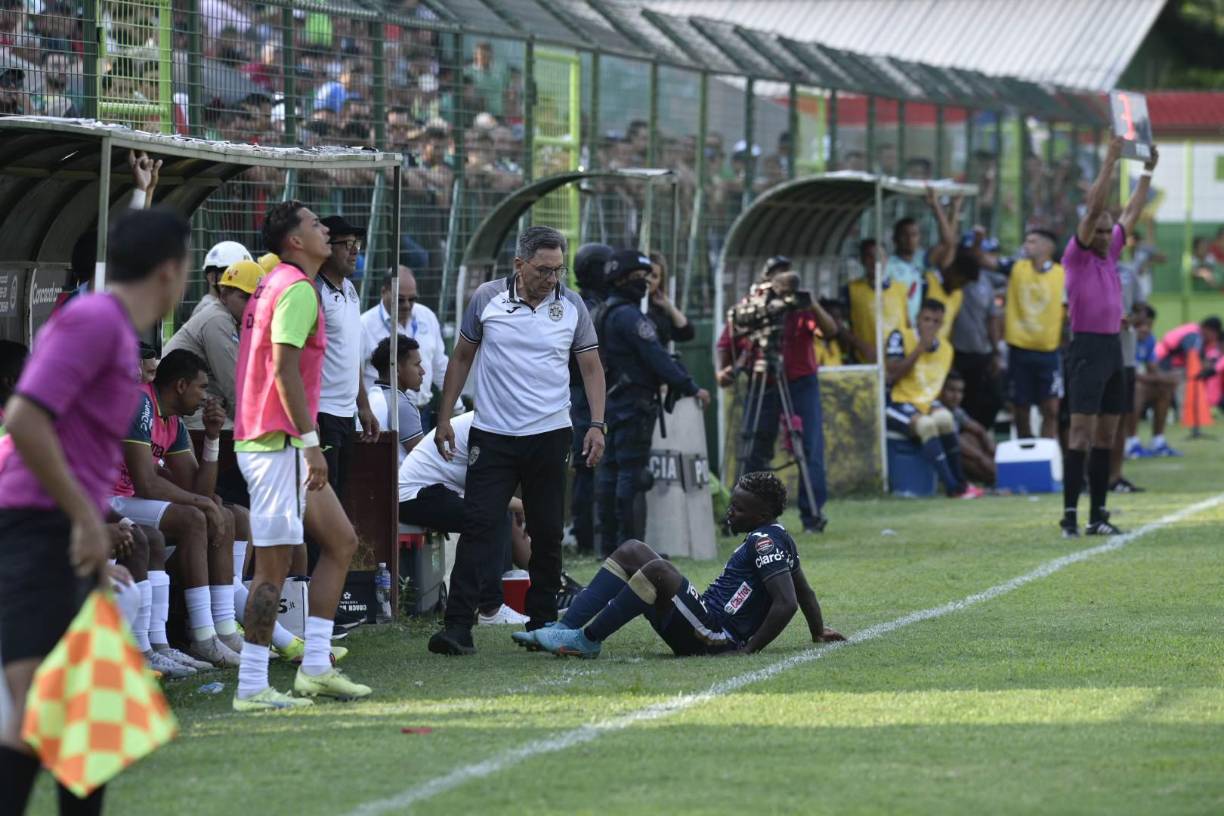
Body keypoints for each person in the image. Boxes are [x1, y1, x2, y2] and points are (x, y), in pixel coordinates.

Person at [0, 208, 190, 815]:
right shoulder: (95, 322)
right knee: (40, 713)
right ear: (171, 271)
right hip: (34, 526)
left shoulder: (110, 327)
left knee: (89, 720)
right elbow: (26, 418)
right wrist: (84, 519)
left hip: (56, 528)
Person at [428, 226, 606, 656]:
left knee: (546, 532)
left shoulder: (572, 305)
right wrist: (445, 416)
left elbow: (592, 368)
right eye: (543, 270)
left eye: (558, 270)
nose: (551, 279)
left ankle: (542, 622)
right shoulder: (486, 299)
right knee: (478, 525)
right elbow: (462, 356)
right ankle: (457, 626)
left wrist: (597, 424)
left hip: (550, 434)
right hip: (493, 435)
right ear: (519, 264)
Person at [231, 200, 371, 711]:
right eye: (315, 225)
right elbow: (284, 371)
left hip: (276, 440)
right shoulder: (295, 289)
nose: (325, 231)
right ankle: (251, 686)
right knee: (272, 569)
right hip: (277, 444)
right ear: (294, 241)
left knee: (341, 541)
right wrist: (309, 444)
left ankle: (314, 667)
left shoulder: (278, 282)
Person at [518, 472, 844, 658]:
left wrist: (749, 650)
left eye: (738, 509)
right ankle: (562, 630)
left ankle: (587, 640)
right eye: (732, 505)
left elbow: (787, 602)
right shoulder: (778, 537)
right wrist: (818, 631)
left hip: (717, 634)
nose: (730, 513)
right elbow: (804, 590)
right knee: (634, 550)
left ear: (760, 516)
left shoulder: (764, 542)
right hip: (705, 620)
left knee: (660, 571)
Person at [109, 349, 241, 667]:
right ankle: (203, 635)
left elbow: (198, 487)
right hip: (105, 497)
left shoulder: (174, 421)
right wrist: (202, 503)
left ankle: (223, 629)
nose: (205, 396)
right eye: (201, 387)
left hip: (130, 499)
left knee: (224, 515)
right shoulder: (141, 403)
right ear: (181, 386)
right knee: (194, 518)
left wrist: (211, 438)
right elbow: (146, 484)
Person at [1059, 136, 1156, 538]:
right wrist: (1110, 161)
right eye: (1097, 230)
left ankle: (1098, 515)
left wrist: (1148, 171)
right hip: (1086, 347)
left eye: (1106, 232)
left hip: (1113, 350)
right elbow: (1098, 207)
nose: (1103, 235)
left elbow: (1131, 210)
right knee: (1080, 432)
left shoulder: (1111, 254)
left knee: (1107, 433)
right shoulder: (1077, 257)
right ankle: (1069, 515)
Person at [596, 249, 711, 556]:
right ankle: (632, 549)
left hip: (610, 402)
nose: (644, 284)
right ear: (620, 279)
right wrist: (689, 386)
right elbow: (656, 356)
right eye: (638, 278)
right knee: (633, 475)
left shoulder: (604, 312)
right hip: (633, 403)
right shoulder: (629, 316)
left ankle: (609, 546)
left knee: (612, 472)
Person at [716, 257, 838, 531]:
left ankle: (813, 516)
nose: (783, 286)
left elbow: (830, 330)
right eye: (778, 279)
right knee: (754, 449)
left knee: (809, 448)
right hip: (763, 380)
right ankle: (745, 516)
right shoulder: (754, 305)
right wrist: (723, 370)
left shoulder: (800, 306)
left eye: (788, 279)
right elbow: (726, 341)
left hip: (801, 382)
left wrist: (810, 302)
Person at [398, 411, 532, 626]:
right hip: (414, 494)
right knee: (491, 518)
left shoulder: (500, 422)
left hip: (437, 490)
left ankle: (496, 601)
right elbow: (488, 493)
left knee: (496, 518)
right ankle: (491, 608)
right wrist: (526, 507)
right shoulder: (488, 425)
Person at [972, 228, 1066, 439]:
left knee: (1051, 409)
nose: (1026, 245)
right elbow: (981, 259)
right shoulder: (1016, 268)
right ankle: (1027, 449)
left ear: (1047, 247)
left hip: (1049, 353)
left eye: (1032, 241)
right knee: (1020, 408)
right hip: (1020, 351)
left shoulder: (1061, 274)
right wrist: (978, 240)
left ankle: (1046, 452)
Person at [885, 299, 983, 499]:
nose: (930, 325)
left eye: (935, 321)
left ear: (941, 324)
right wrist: (920, 347)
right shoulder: (900, 336)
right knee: (927, 425)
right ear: (917, 319)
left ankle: (961, 483)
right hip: (898, 401)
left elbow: (934, 387)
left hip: (927, 403)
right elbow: (893, 375)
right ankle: (952, 487)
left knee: (946, 419)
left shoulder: (946, 349)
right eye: (926, 319)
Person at [315, 215, 379, 507]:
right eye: (347, 244)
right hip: (322, 415)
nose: (355, 251)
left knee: (339, 498)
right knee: (321, 502)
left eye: (358, 244)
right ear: (326, 247)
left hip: (345, 415)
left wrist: (363, 405)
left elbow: (350, 354)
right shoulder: (313, 292)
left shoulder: (350, 290)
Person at [164, 259, 264, 427]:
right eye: (246, 298)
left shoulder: (235, 320)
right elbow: (235, 388)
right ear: (224, 295)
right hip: (181, 410)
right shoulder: (218, 320)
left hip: (198, 402)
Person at [360, 265, 452, 430]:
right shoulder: (365, 325)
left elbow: (440, 367)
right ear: (384, 292)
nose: (407, 305)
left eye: (412, 299)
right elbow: (354, 373)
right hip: (382, 418)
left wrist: (456, 407)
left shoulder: (427, 316)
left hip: (422, 412)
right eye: (400, 299)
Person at [567, 243, 611, 555]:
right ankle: (588, 538)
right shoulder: (591, 308)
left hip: (577, 393)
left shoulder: (575, 303)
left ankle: (587, 537)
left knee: (586, 468)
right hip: (583, 394)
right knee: (589, 465)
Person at [949, 233, 1004, 431]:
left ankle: (978, 433)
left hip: (981, 351)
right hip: (956, 352)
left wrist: (996, 351)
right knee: (960, 401)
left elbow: (992, 318)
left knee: (994, 398)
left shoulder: (985, 281)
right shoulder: (951, 278)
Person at [1126, 304, 1179, 458]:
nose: (1145, 329)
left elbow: (1153, 369)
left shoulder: (1149, 340)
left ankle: (1158, 441)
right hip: (1121, 386)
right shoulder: (1125, 339)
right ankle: (1131, 442)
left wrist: (1167, 378)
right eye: (1140, 325)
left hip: (1136, 382)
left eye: (1148, 325)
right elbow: (1131, 374)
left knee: (1164, 389)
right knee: (1137, 388)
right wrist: (1162, 378)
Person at [843, 239, 907, 364]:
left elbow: (907, 324)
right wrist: (862, 346)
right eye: (869, 257)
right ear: (862, 260)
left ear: (886, 259)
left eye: (879, 256)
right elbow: (840, 326)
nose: (875, 262)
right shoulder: (851, 290)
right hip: (864, 361)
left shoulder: (900, 288)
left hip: (896, 362)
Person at [367, 334, 425, 463]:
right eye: (417, 365)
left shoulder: (371, 396)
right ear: (397, 369)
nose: (422, 371)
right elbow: (426, 459)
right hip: (398, 480)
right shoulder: (401, 406)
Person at [939, 371, 996, 486]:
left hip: (960, 454)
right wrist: (981, 458)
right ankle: (997, 476)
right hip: (943, 456)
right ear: (940, 391)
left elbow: (978, 429)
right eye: (951, 390)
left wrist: (991, 448)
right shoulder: (935, 409)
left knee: (972, 437)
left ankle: (998, 473)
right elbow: (954, 441)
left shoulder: (956, 410)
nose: (956, 396)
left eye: (960, 391)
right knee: (964, 445)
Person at [192, 240, 252, 319]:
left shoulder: (227, 308)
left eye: (245, 274)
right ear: (212, 277)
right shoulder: (209, 311)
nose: (241, 280)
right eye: (234, 273)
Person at [646, 251, 694, 346]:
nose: (648, 279)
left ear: (660, 281)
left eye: (654, 276)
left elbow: (687, 332)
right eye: (646, 273)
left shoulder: (659, 309)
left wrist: (669, 307)